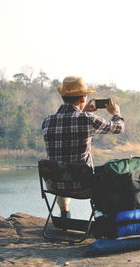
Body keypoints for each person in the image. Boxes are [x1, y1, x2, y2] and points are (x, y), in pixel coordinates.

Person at [42, 76, 124, 218]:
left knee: (61, 165)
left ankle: (64, 214)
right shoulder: (88, 119)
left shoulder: (47, 121)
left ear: (63, 97)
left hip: (53, 184)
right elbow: (118, 128)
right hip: (84, 186)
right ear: (83, 98)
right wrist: (116, 113)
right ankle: (103, 219)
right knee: (111, 175)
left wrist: (85, 111)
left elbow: (71, 125)